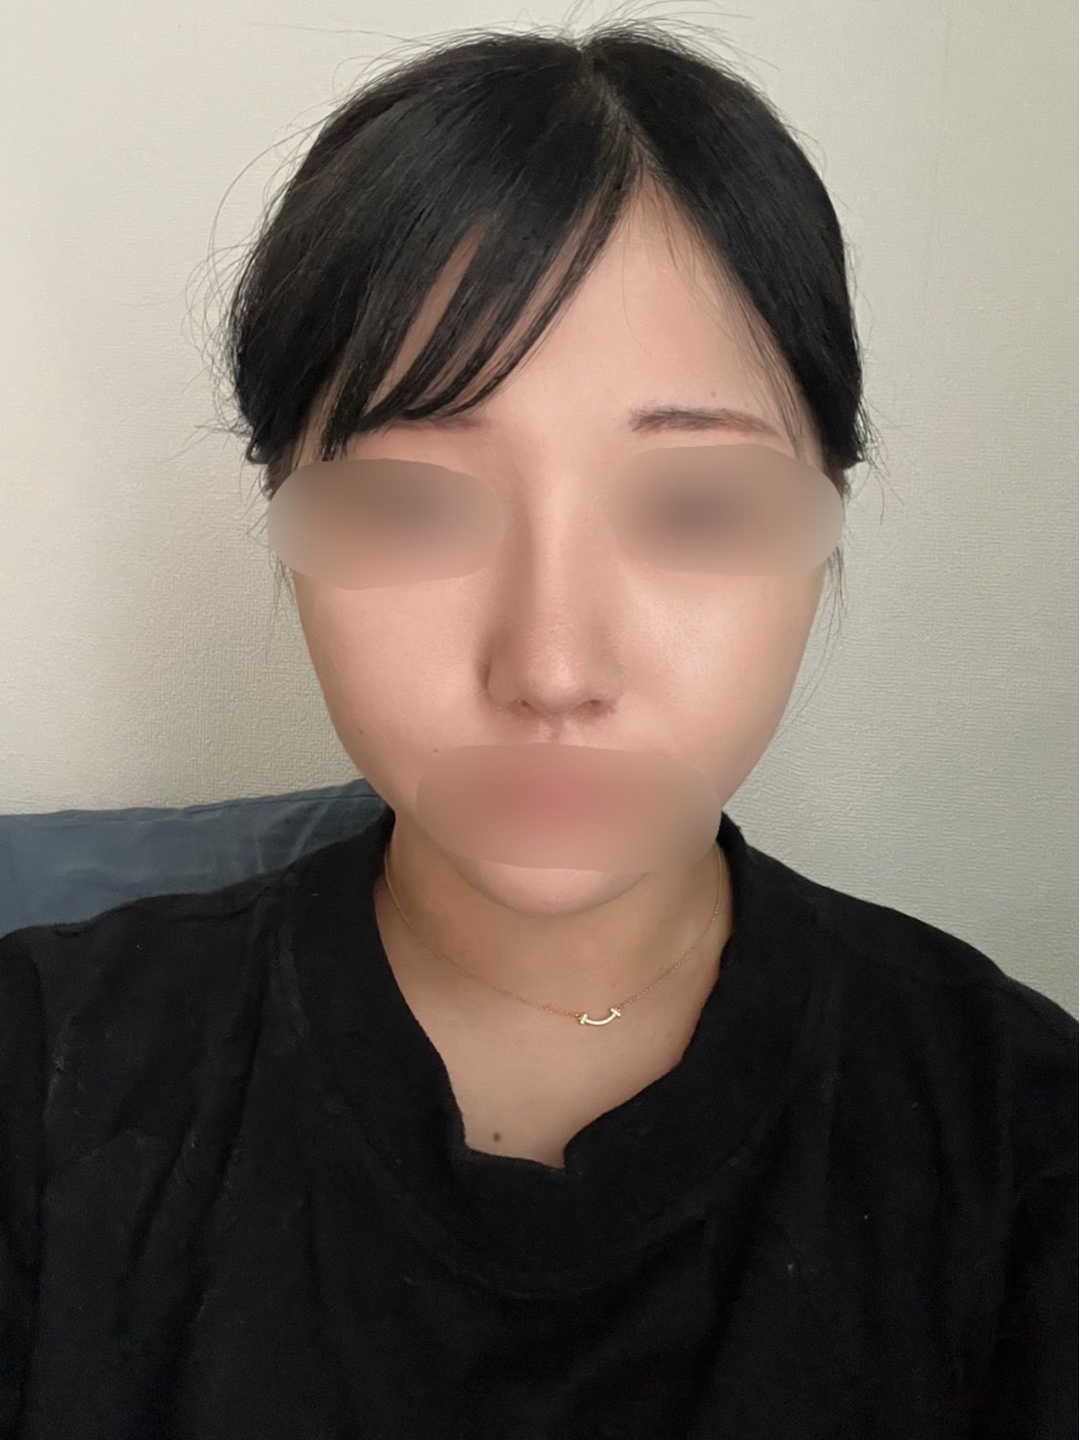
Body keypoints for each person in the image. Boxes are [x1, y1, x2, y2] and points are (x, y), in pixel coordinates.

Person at [0, 21, 1075, 1439]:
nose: (553, 668)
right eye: (413, 506)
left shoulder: (1022, 1140)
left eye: (694, 507)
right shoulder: (46, 1072)